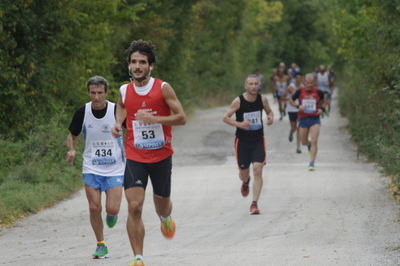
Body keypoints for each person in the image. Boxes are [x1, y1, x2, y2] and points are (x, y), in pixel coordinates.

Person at [111, 40, 186, 266]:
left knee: (161, 204)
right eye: (134, 62)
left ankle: (165, 217)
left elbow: (181, 117)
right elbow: (122, 106)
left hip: (161, 155)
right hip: (135, 155)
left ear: (150, 65)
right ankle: (138, 257)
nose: (137, 66)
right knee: (134, 206)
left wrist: (156, 119)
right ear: (129, 65)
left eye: (142, 62)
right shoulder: (124, 89)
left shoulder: (163, 88)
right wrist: (118, 123)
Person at [66, 76, 125, 259]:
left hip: (115, 167)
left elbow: (131, 131)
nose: (97, 97)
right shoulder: (82, 112)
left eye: (100, 93)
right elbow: (72, 135)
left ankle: (112, 214)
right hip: (91, 166)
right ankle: (101, 244)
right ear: (88, 93)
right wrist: (71, 149)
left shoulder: (116, 110)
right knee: (93, 207)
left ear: (106, 93)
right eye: (93, 93)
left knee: (112, 209)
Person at [223, 74, 274, 215]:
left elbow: (269, 111)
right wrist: (239, 124)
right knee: (244, 173)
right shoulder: (238, 101)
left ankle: (254, 204)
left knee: (258, 168)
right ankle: (246, 182)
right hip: (242, 142)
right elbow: (225, 118)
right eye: (250, 84)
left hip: (258, 140)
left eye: (256, 84)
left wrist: (270, 117)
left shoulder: (262, 99)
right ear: (246, 86)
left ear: (259, 85)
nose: (253, 86)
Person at [289, 73, 326, 171]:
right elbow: (291, 100)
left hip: (315, 119)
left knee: (314, 140)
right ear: (304, 82)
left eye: (311, 82)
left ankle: (312, 163)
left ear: (314, 82)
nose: (309, 84)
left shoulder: (319, 92)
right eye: (307, 82)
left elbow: (324, 101)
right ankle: (308, 144)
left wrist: (322, 109)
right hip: (303, 119)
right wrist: (298, 106)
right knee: (303, 142)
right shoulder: (299, 91)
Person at [283, 72, 303, 153]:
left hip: (300, 110)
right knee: (294, 128)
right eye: (297, 78)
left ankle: (298, 147)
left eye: (300, 78)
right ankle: (291, 133)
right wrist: (288, 99)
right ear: (295, 78)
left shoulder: (303, 87)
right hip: (291, 109)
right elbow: (284, 96)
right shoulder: (290, 86)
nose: (299, 79)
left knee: (299, 128)